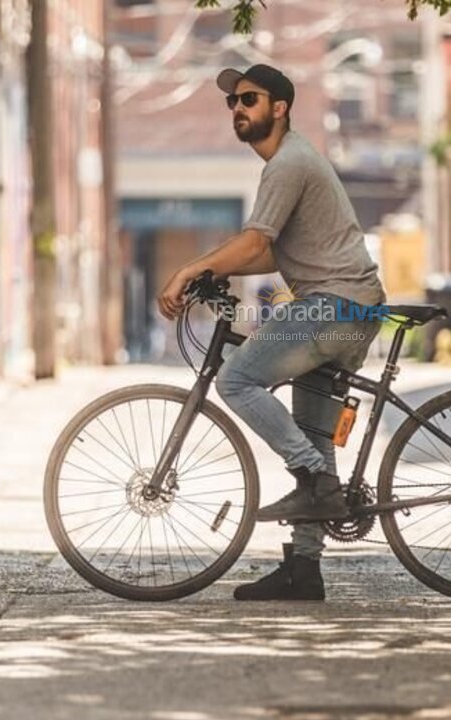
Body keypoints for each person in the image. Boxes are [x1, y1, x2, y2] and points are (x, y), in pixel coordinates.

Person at [156, 64, 386, 601]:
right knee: (312, 432)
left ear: (279, 107)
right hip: (348, 306)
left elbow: (258, 244)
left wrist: (191, 269)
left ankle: (313, 477)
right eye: (232, 103)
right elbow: (272, 252)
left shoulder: (288, 162)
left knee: (236, 379)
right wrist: (214, 271)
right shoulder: (290, 161)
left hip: (335, 307)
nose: (238, 109)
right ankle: (304, 569)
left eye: (249, 99)